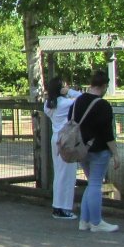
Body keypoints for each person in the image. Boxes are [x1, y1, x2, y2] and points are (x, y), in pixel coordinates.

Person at [70, 69, 120, 233]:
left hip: (81, 149)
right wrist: (116, 153)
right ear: (104, 86)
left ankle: (84, 220)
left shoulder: (77, 101)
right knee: (95, 184)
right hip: (98, 150)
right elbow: (107, 133)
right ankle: (96, 222)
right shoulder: (102, 105)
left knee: (91, 183)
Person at [42, 75, 82, 220]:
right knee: (68, 174)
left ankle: (57, 205)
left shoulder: (48, 105)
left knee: (59, 173)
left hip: (56, 139)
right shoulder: (67, 103)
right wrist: (69, 91)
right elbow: (83, 98)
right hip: (67, 140)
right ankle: (64, 208)